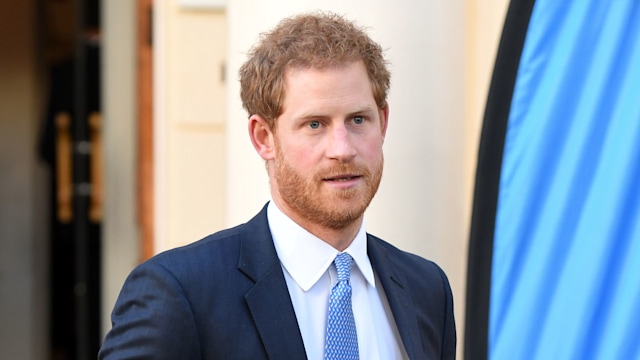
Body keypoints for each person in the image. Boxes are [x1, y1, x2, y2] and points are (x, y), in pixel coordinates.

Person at [99, 11, 456, 360]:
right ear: (263, 137)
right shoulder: (180, 292)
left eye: (358, 119)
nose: (343, 149)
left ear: (384, 122)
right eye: (315, 124)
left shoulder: (426, 289)